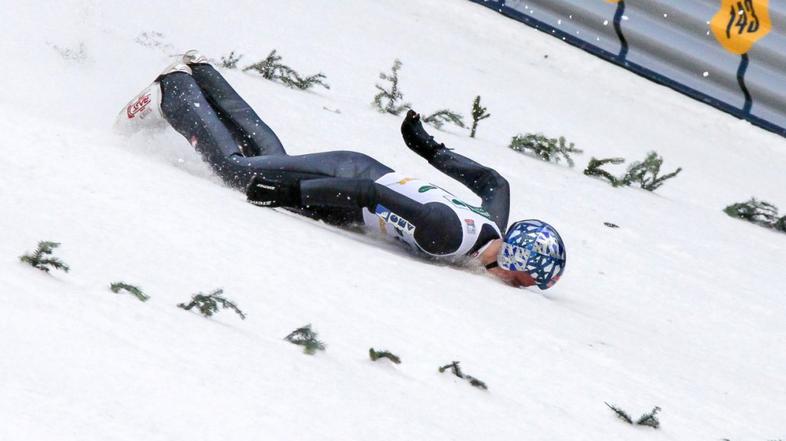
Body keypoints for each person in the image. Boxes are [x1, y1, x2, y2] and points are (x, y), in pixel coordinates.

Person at [116, 50, 566, 289]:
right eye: (522, 281)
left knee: (272, 157)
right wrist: (297, 197)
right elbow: (371, 195)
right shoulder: (448, 234)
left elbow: (494, 183)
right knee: (242, 172)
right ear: (513, 259)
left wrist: (428, 147)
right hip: (352, 181)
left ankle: (202, 73)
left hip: (356, 183)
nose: (517, 287)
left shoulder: (494, 226)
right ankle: (174, 93)